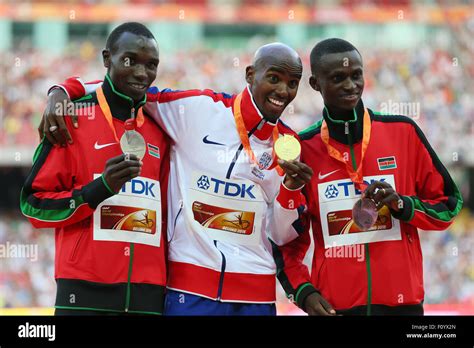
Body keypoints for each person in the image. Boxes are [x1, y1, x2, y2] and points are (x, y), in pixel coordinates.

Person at [40, 43, 313, 315]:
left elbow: (281, 236)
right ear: (251, 74)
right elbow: (126, 87)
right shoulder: (197, 109)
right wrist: (64, 90)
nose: (282, 91)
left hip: (256, 297)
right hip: (190, 292)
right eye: (274, 78)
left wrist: (290, 189)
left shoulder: (289, 145)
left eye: (292, 83)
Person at [274, 38, 463, 316]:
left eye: (356, 75)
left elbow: (449, 205)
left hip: (403, 308)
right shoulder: (304, 149)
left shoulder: (403, 133)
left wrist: (403, 205)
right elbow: (284, 242)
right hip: (336, 310)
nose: (350, 86)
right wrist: (303, 292)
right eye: (338, 78)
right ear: (315, 84)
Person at [21, 22, 170, 315]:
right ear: (107, 59)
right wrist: (98, 189)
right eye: (130, 60)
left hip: (149, 296)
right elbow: (32, 205)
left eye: (151, 65)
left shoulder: (161, 126)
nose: (142, 73)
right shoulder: (70, 118)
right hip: (83, 292)